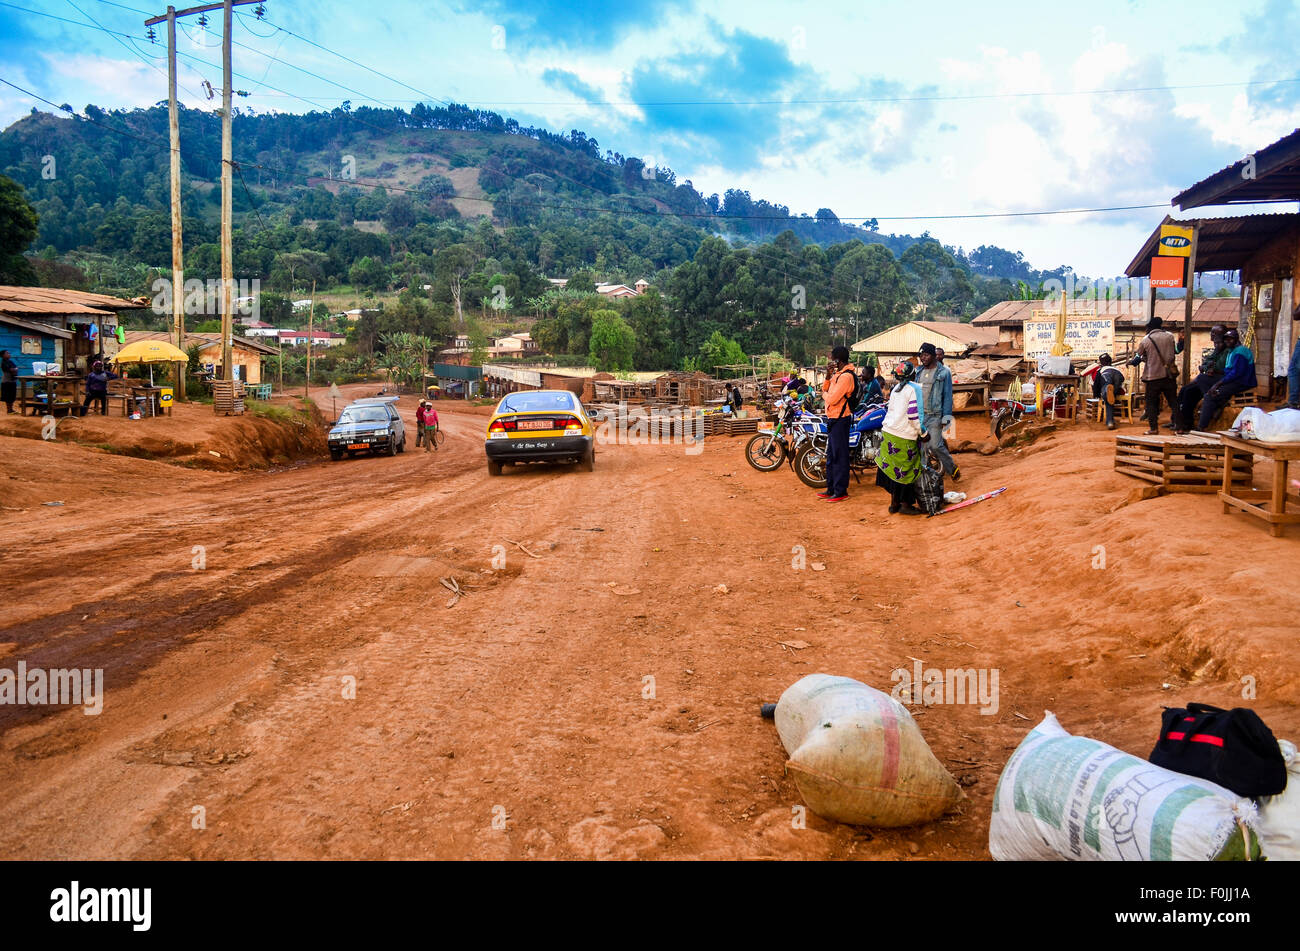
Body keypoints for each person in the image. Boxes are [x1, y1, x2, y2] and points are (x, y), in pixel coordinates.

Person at [876, 361, 926, 515]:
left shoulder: (896, 388)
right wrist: (923, 432)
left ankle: (894, 503)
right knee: (908, 469)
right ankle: (905, 505)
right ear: (912, 374)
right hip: (904, 436)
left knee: (894, 469)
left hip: (889, 432)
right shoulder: (915, 388)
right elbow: (913, 414)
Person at [1129, 316, 1182, 435]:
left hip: (1152, 377)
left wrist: (1132, 362)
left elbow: (1138, 357)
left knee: (1151, 403)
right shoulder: (1169, 336)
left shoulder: (1146, 340)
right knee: (1174, 402)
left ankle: (1153, 428)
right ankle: (1179, 427)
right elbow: (1177, 351)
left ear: (1149, 327)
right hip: (1169, 376)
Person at [916, 343, 960, 481]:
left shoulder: (944, 372)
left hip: (935, 415)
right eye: (921, 355)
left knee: (935, 445)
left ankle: (952, 468)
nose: (923, 358)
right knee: (922, 448)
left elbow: (947, 396)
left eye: (926, 355)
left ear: (934, 356)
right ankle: (925, 479)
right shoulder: (918, 372)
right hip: (920, 415)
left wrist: (946, 418)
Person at [818, 346, 857, 502]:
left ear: (837, 360)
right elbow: (825, 389)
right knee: (831, 456)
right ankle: (831, 488)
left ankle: (841, 491)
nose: (830, 361)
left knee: (840, 457)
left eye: (832, 358)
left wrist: (824, 395)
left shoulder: (846, 377)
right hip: (833, 418)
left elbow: (831, 399)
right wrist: (828, 375)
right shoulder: (837, 375)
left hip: (841, 419)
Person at [1198, 329, 1254, 431]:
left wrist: (1218, 384)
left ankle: (1202, 426)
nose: (1227, 342)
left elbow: (1237, 373)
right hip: (1231, 379)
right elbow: (1228, 370)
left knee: (1209, 395)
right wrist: (1213, 371)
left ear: (1236, 339)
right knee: (1202, 378)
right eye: (1226, 340)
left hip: (1241, 382)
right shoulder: (1231, 351)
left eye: (1230, 339)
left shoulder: (1241, 351)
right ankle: (1219, 403)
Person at [1175, 324, 1228, 433]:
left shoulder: (1227, 348)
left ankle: (1215, 404)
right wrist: (1206, 366)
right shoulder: (1218, 347)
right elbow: (1208, 360)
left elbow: (1220, 366)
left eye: (1214, 333)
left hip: (1221, 380)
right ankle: (1183, 422)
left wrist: (1209, 367)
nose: (1211, 335)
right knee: (1186, 390)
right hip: (1210, 377)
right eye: (1211, 332)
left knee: (1200, 380)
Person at [1091, 353, 1126, 430]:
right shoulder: (1116, 369)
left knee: (1106, 393)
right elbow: (1122, 379)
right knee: (1112, 394)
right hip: (1117, 382)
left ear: (1101, 363)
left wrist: (1096, 394)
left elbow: (1096, 384)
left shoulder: (1100, 370)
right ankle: (1111, 391)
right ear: (1110, 362)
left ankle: (1110, 421)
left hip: (1106, 378)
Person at [1, 349, 16, 414]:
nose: (9, 354)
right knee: (8, 396)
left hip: (12, 381)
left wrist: (14, 369)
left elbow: (15, 368)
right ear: (3, 355)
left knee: (12, 396)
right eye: (7, 353)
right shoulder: (3, 363)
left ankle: (11, 409)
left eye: (9, 353)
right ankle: (9, 410)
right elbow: (11, 369)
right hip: (7, 381)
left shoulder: (10, 362)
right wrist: (14, 369)